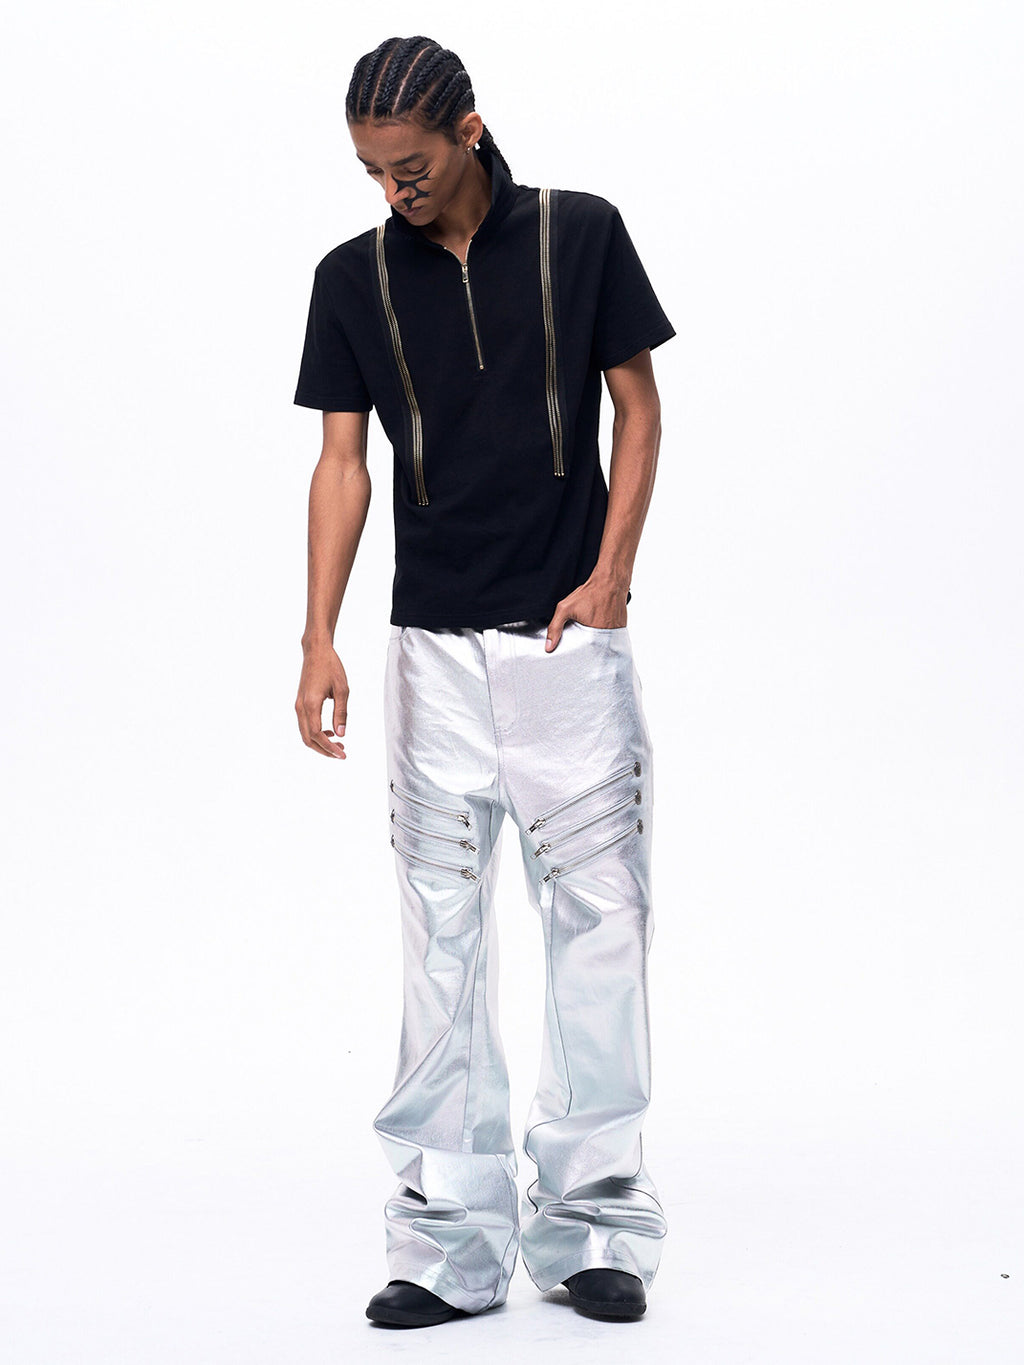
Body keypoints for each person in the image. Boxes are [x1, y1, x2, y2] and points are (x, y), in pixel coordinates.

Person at [293, 34, 677, 1329]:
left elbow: (638, 406)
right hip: (433, 652)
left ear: (467, 129)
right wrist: (317, 636)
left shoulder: (582, 232)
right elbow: (342, 462)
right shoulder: (351, 277)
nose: (389, 190)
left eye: (407, 165)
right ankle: (449, 1244)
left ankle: (595, 1227)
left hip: (571, 644)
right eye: (370, 170)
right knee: (441, 937)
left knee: (602, 926)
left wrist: (612, 577)